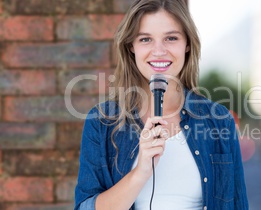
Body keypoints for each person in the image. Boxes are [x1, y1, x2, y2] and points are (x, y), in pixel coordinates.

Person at [74, 0, 249, 209]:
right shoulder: (102, 122)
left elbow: (238, 203)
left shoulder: (219, 120)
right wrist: (141, 172)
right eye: (146, 39)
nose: (159, 51)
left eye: (171, 38)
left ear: (187, 45)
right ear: (132, 46)